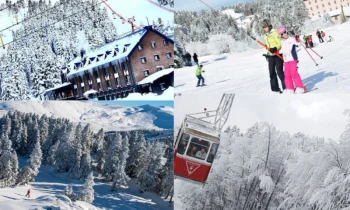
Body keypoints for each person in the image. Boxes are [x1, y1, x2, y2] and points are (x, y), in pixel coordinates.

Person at [277, 26, 306, 94]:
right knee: (287, 75)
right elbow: (283, 50)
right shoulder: (282, 41)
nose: (284, 34)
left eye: (284, 32)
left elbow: (298, 43)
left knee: (294, 73)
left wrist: (297, 39)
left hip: (292, 59)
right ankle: (290, 88)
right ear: (281, 35)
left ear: (286, 31)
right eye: (282, 34)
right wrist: (277, 52)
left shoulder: (291, 39)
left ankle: (300, 88)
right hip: (286, 60)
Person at [260, 19, 285, 93]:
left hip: (277, 55)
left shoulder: (274, 32)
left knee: (279, 72)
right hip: (270, 56)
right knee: (271, 72)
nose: (264, 28)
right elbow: (268, 46)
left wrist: (275, 48)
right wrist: (267, 54)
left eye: (265, 26)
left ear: (269, 26)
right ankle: (275, 89)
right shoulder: (265, 35)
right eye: (263, 27)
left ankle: (286, 87)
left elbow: (279, 43)